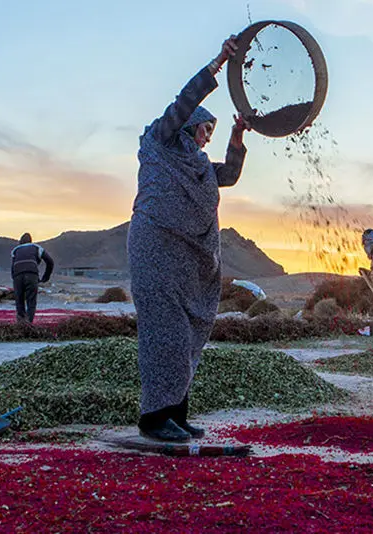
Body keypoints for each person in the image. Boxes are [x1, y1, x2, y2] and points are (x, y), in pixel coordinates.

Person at [128, 36, 252, 442]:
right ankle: (153, 419)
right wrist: (219, 62)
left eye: (211, 133)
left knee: (185, 335)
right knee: (163, 332)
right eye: (204, 128)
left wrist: (237, 140)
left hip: (190, 260)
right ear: (189, 124)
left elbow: (229, 176)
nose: (206, 137)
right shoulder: (161, 141)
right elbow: (184, 99)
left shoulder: (199, 164)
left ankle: (176, 415)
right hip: (157, 248)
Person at [11, 232, 55, 323]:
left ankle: (20, 324)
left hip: (17, 275)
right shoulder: (37, 248)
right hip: (32, 275)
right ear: (31, 241)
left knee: (19, 300)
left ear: (20, 242)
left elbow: (13, 268)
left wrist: (15, 280)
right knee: (31, 301)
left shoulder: (15, 250)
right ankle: (28, 325)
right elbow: (50, 262)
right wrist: (45, 277)